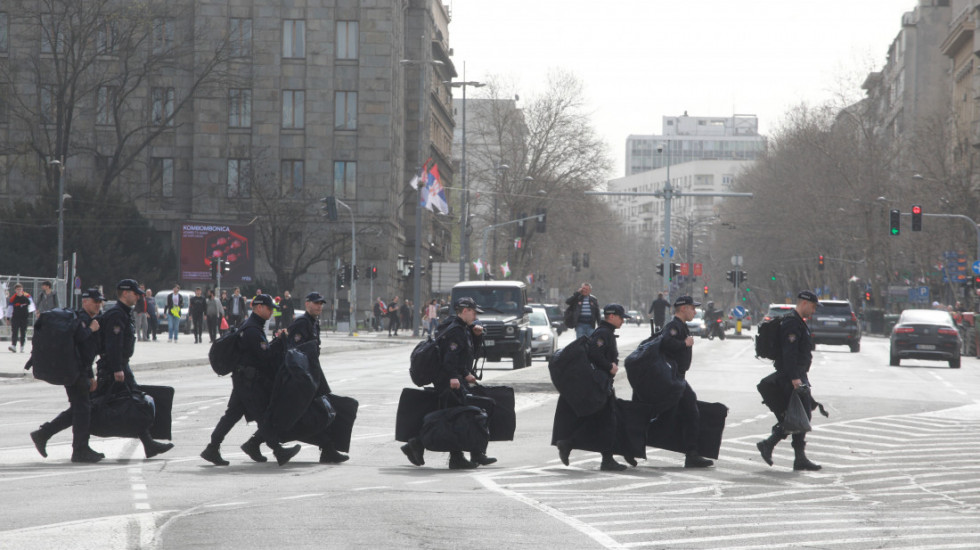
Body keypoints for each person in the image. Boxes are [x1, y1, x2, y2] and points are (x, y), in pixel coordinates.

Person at [200, 294, 301, 466]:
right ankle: (278, 451)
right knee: (262, 414)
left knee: (232, 415)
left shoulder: (253, 326)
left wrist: (275, 341)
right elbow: (265, 356)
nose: (271, 312)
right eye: (269, 309)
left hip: (244, 379)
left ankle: (212, 447)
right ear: (259, 308)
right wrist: (279, 341)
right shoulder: (252, 330)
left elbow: (261, 353)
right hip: (248, 381)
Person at [401, 297, 494, 469]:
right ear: (465, 311)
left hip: (454, 378)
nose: (475, 316)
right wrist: (455, 377)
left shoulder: (461, 327)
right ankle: (450, 454)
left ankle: (425, 447)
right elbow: (450, 357)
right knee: (454, 417)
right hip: (449, 380)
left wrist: (477, 336)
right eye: (473, 312)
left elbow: (465, 354)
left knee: (452, 416)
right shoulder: (455, 330)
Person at [96, 279, 174, 458]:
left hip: (120, 365)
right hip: (114, 367)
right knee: (91, 405)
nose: (138, 296)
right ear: (125, 293)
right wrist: (117, 368)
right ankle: (51, 434)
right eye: (135, 293)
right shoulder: (117, 314)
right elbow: (113, 344)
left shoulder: (123, 313)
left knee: (134, 401)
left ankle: (149, 444)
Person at [29, 288, 105, 463]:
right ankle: (79, 450)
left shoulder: (78, 318)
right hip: (76, 372)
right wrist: (90, 375)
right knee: (83, 410)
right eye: (95, 301)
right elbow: (85, 350)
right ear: (85, 301)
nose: (99, 304)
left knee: (78, 409)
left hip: (73, 371)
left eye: (100, 301)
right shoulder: (84, 321)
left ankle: (44, 434)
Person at [553, 304, 630, 471]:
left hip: (601, 384)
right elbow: (594, 352)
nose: (623, 320)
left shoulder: (606, 332)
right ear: (611, 316)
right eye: (621, 317)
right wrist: (609, 366)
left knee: (602, 421)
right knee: (608, 421)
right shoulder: (603, 333)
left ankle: (574, 445)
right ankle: (603, 458)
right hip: (599, 385)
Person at [756, 290, 822, 471]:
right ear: (804, 304)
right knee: (800, 415)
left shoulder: (797, 322)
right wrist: (794, 378)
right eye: (813, 307)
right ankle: (774, 447)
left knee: (799, 415)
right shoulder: (792, 324)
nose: (814, 311)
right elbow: (789, 353)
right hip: (791, 376)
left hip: (797, 374)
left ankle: (777, 448)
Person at [284, 291, 348, 464]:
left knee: (312, 410)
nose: (319, 306)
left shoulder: (313, 323)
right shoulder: (302, 323)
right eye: (315, 303)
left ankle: (255, 441)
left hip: (312, 372)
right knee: (317, 411)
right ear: (307, 304)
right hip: (304, 376)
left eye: (321, 303)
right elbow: (295, 352)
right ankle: (328, 449)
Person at [657, 295, 714, 468]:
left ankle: (692, 453)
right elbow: (665, 342)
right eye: (692, 308)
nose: (694, 311)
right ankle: (692, 454)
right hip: (674, 378)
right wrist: (685, 344)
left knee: (675, 414)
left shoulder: (680, 326)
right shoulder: (674, 326)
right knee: (691, 411)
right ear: (683, 309)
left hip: (677, 377)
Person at [7, 283, 34, 353]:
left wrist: (29, 313)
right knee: (14, 332)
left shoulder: (27, 297)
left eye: (20, 289)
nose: (19, 290)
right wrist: (8, 318)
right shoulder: (13, 298)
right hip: (15, 317)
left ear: (22, 289)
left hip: (24, 318)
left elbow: (31, 305)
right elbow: (10, 309)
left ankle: (22, 347)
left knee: (23, 332)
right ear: (15, 290)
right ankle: (13, 346)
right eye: (17, 289)